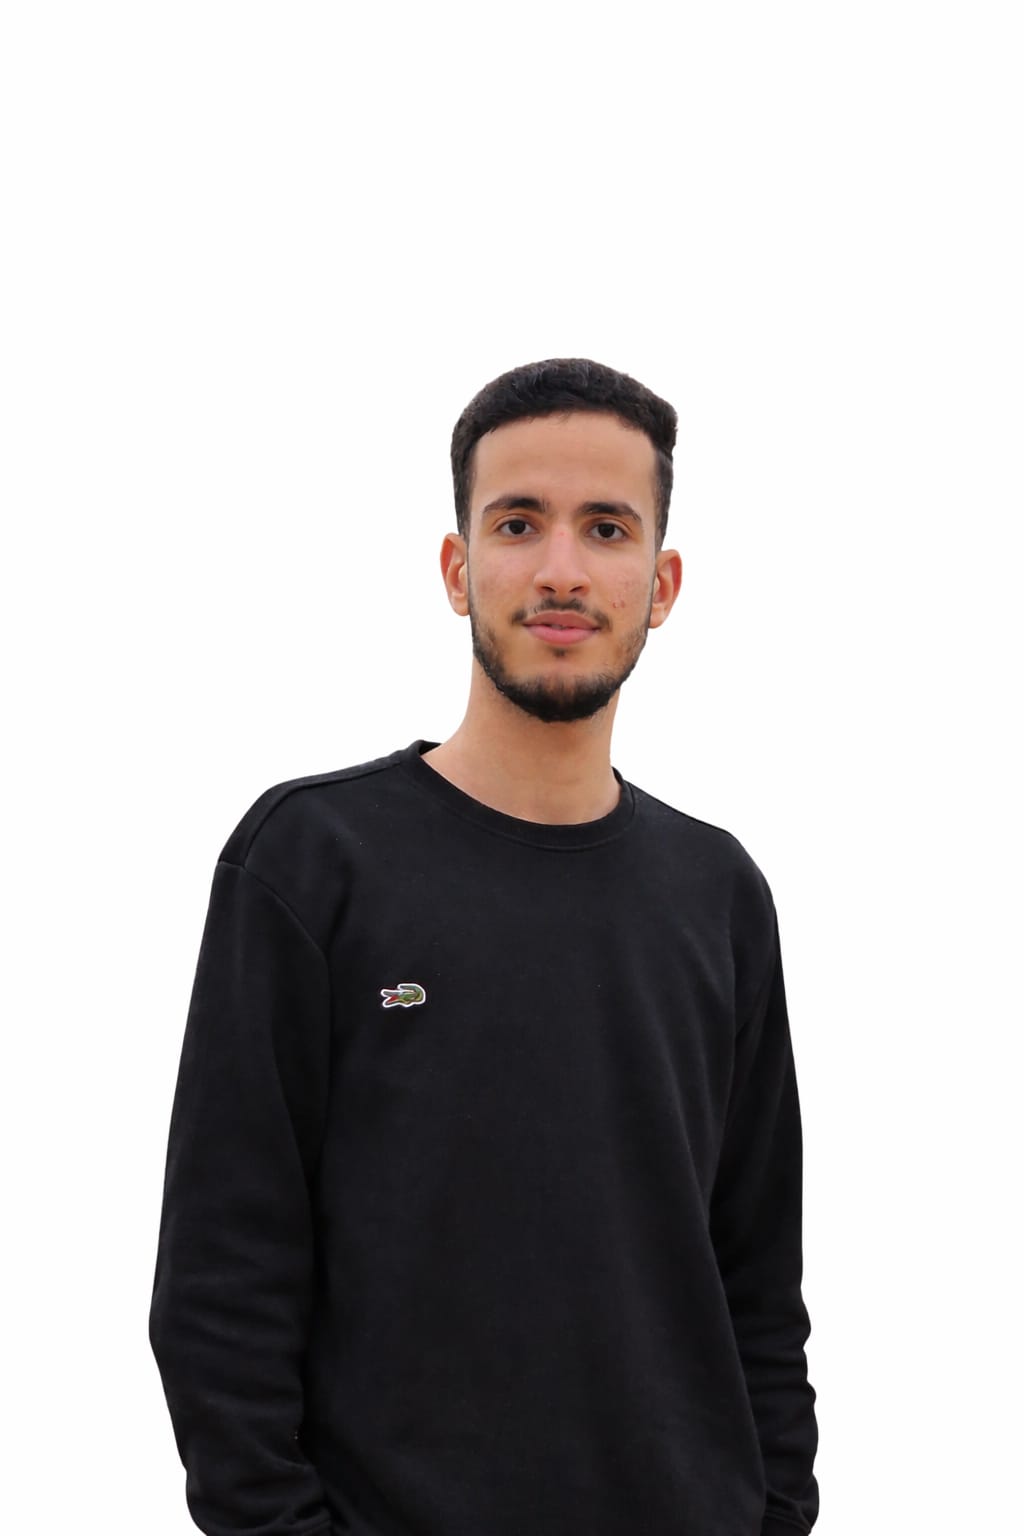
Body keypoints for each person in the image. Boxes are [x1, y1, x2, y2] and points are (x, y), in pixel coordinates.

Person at [149, 357, 820, 1536]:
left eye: (605, 527)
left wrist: (773, 1512)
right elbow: (221, 1285)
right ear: (458, 569)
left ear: (661, 584)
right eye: (518, 523)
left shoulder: (718, 894)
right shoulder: (310, 861)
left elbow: (756, 1282)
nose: (561, 569)